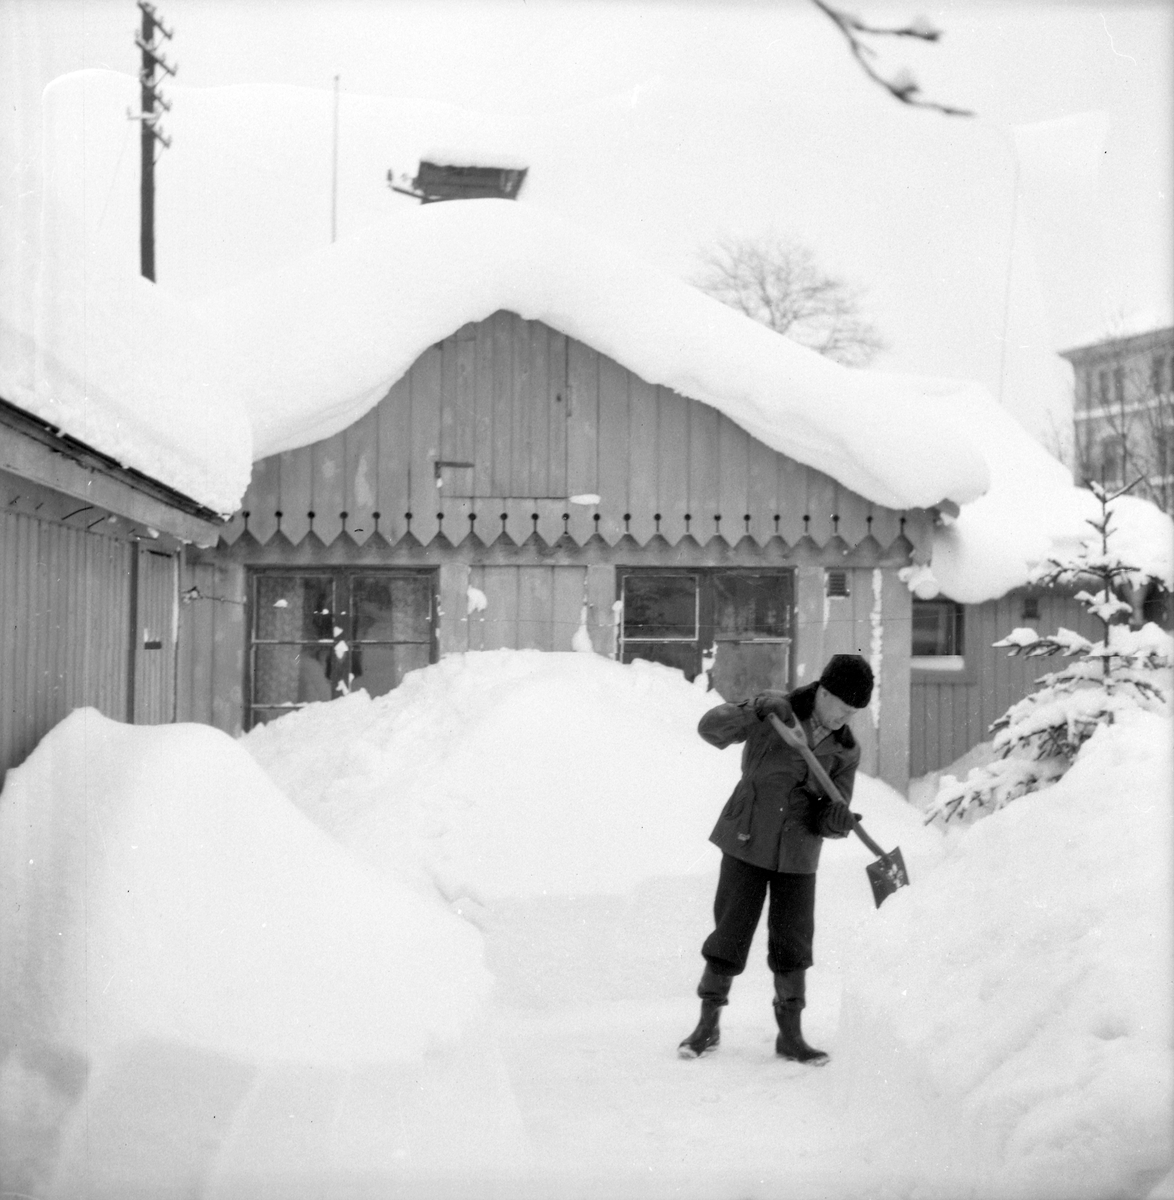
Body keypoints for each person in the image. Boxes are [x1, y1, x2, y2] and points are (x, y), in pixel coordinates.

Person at [678, 653, 874, 1065]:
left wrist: (836, 821)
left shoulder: (845, 750)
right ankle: (707, 1025)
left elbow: (830, 814)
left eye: (854, 713)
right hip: (747, 837)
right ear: (824, 692)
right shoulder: (775, 713)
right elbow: (709, 729)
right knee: (729, 935)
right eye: (843, 707)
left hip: (799, 853)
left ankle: (791, 1036)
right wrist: (753, 709)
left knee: (793, 944)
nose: (846, 718)